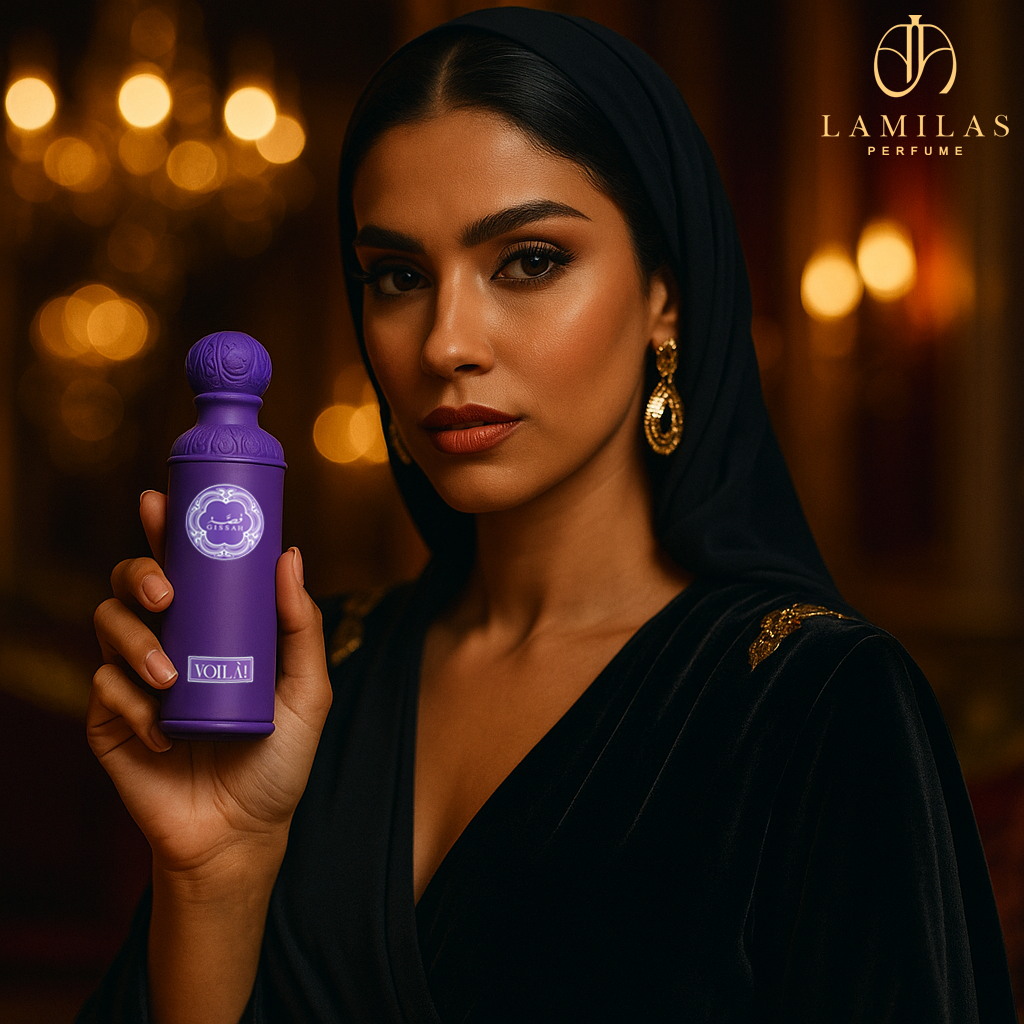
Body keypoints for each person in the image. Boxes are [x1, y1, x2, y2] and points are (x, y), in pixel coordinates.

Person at [79, 8, 1016, 1023]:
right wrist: (210, 876)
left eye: (527, 260)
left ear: (667, 296)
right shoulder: (310, 682)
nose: (445, 342)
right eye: (396, 276)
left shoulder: (811, 704)